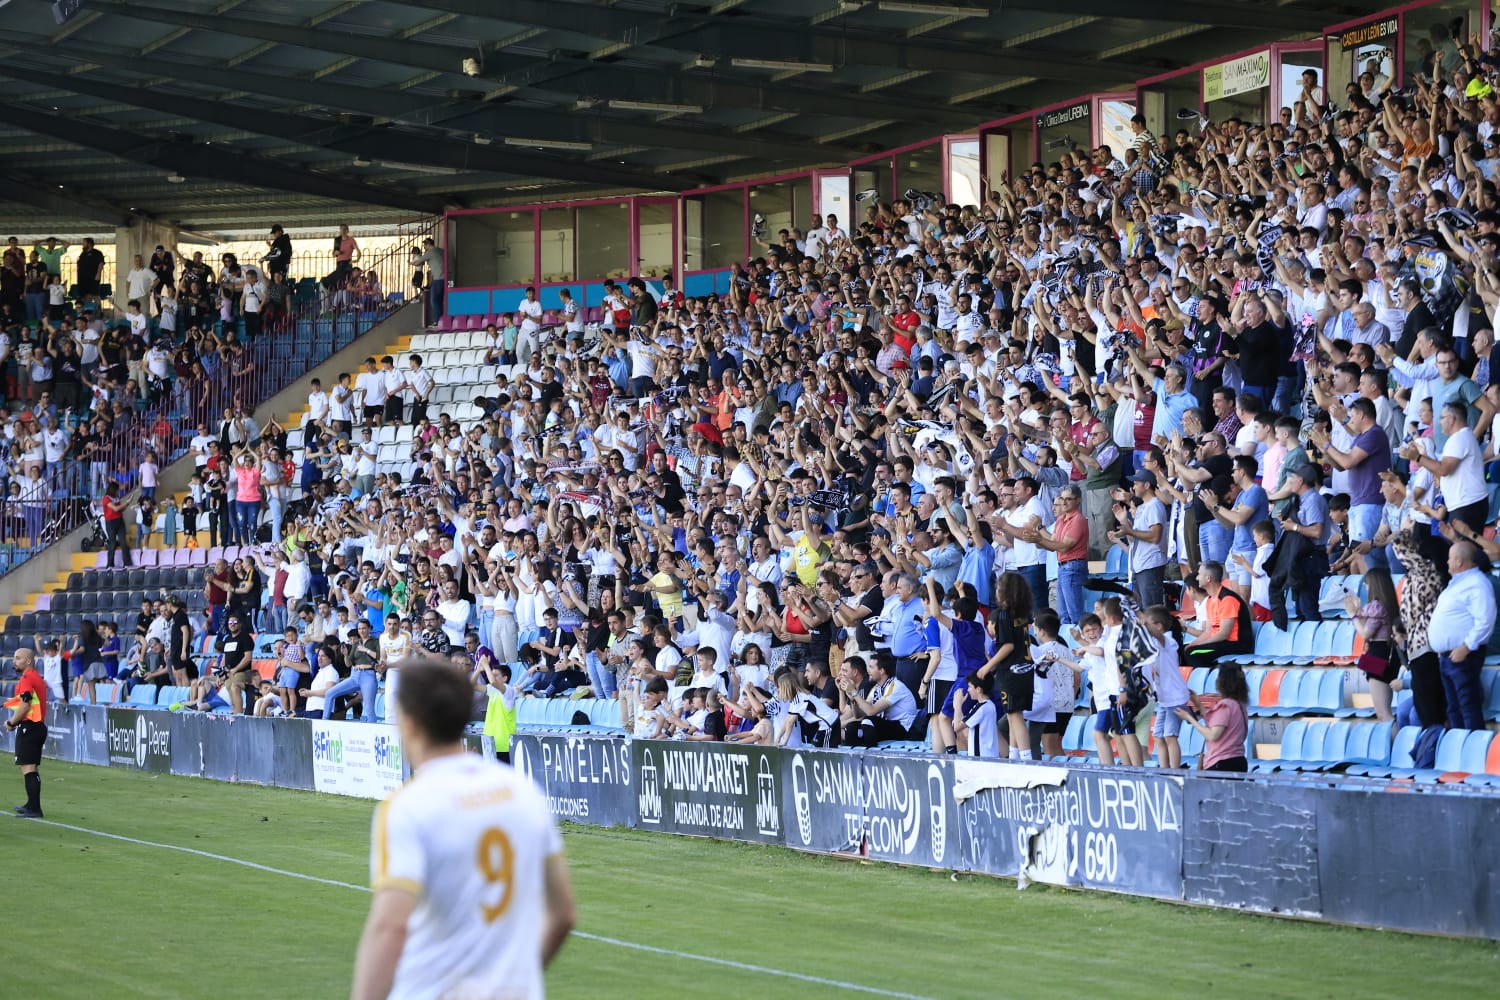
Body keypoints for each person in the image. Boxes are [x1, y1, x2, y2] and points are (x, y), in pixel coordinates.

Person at [351, 658, 575, 1000]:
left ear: (409, 724)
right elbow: (563, 915)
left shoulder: (409, 805)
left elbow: (390, 927)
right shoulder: (524, 792)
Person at [1426, 540, 1497, 731]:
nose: (1447, 562)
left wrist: (1466, 647)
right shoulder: (1457, 583)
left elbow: (1485, 620)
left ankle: (1473, 753)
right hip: (1448, 656)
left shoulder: (1477, 583)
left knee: (1468, 707)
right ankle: (1459, 751)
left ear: (1459, 561)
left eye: (1450, 558)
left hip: (1463, 656)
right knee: (1454, 708)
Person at [1345, 568, 1400, 723]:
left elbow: (1365, 634)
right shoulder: (1388, 605)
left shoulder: (1376, 606)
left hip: (1378, 655)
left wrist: (1353, 615)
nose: (1366, 588)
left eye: (1367, 584)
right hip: (1387, 653)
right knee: (1385, 711)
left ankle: (1394, 745)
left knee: (1383, 713)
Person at [1177, 665, 1250, 772]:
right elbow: (1217, 724)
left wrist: (1190, 718)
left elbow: (1212, 735)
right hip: (1239, 761)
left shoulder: (1225, 706)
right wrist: (1199, 704)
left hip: (1222, 763)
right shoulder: (1240, 705)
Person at [4, 646, 47, 817]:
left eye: (18, 658)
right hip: (35, 727)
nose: (14, 661)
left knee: (29, 768)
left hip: (30, 728)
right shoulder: (33, 677)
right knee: (30, 767)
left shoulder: (28, 678)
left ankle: (35, 809)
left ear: (28, 661)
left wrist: (11, 722)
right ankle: (31, 804)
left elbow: (25, 703)